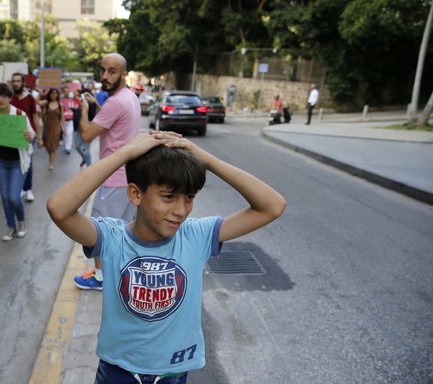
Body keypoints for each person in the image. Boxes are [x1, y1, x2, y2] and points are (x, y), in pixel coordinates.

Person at [47, 131, 286, 383]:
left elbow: (272, 206)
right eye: (168, 197)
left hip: (172, 372)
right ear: (135, 194)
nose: (181, 211)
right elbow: (58, 208)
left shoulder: (196, 236)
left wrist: (206, 159)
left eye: (189, 197)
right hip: (118, 370)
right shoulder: (111, 238)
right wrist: (125, 154)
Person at [73, 52, 140, 290]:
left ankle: (100, 278)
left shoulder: (115, 102)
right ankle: (119, 273)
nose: (105, 76)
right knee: (122, 230)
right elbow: (114, 118)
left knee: (102, 231)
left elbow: (87, 134)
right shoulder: (129, 97)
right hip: (129, 177)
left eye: (111, 71)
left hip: (113, 179)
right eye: (102, 70)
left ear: (123, 74)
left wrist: (83, 110)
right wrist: (97, 105)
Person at [0, 83, 35, 241]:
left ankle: (21, 222)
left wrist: (29, 136)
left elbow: (31, 134)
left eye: (4, 97)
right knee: (5, 197)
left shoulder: (20, 114)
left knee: (14, 197)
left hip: (17, 162)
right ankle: (10, 227)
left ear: (9, 98)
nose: (0, 100)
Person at [10, 73, 39, 202]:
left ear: (23, 83)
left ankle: (28, 189)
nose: (15, 83)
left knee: (28, 163)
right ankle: (20, 187)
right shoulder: (9, 99)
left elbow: (35, 116)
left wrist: (38, 134)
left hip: (28, 136)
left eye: (18, 81)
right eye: (13, 81)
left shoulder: (30, 99)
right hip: (13, 137)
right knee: (17, 162)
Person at [39, 88, 63, 171]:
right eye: (52, 93)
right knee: (48, 146)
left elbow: (62, 118)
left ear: (57, 95)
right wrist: (40, 94)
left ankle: (51, 163)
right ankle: (50, 159)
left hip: (56, 127)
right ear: (49, 94)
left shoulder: (60, 105)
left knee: (53, 146)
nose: (53, 95)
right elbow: (37, 103)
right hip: (47, 127)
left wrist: (64, 129)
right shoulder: (46, 103)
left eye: (55, 93)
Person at [72, 88, 97, 168]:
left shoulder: (91, 104)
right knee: (77, 146)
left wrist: (86, 107)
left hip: (88, 128)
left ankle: (89, 166)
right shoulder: (80, 103)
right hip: (79, 128)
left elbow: (91, 117)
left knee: (84, 148)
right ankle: (84, 159)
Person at [60, 90, 78, 155]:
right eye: (65, 91)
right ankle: (66, 146)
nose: (67, 93)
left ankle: (68, 148)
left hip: (71, 120)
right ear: (64, 92)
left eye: (68, 91)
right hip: (63, 120)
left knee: (69, 133)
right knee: (65, 133)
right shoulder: (61, 101)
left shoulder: (73, 100)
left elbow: (77, 107)